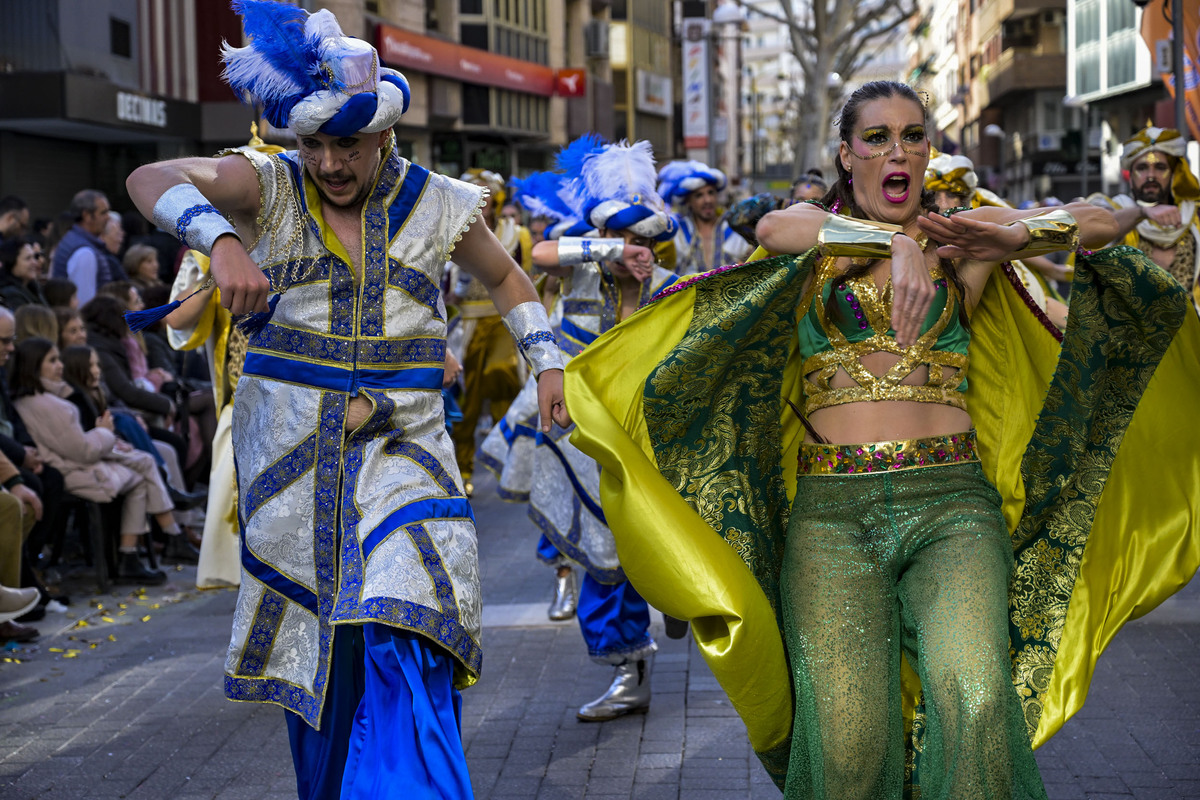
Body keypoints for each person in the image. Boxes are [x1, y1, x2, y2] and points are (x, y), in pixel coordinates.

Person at [565, 80, 1200, 797]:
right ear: (847, 153)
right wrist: (895, 242)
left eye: (913, 135)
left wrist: (1018, 233)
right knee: (848, 735)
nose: (897, 150)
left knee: (977, 696)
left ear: (929, 151)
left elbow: (1108, 220)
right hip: (832, 518)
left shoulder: (964, 241)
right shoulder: (818, 238)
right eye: (876, 137)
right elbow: (775, 229)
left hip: (954, 507)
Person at [124, 4, 566, 797]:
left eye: (346, 143)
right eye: (314, 142)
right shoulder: (267, 187)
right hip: (294, 477)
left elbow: (504, 277)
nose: (329, 161)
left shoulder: (437, 201)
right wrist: (221, 239)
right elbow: (148, 177)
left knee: (402, 622)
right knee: (325, 666)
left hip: (408, 459)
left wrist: (548, 365)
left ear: (384, 134)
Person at [484, 136, 679, 718]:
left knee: (635, 550)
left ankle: (672, 602)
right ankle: (628, 670)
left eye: (642, 240)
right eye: (623, 237)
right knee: (592, 548)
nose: (633, 249)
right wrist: (601, 253)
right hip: (571, 429)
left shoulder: (668, 286)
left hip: (636, 441)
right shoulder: (581, 267)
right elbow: (540, 254)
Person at [10, 338, 181, 584]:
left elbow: (76, 446)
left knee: (141, 463)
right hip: (77, 472)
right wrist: (105, 432)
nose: (60, 366)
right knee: (141, 470)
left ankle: (151, 546)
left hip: (72, 466)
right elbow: (84, 451)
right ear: (34, 366)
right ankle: (146, 547)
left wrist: (106, 437)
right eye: (52, 360)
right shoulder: (54, 406)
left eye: (59, 359)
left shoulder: (39, 400)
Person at [445, 168, 532, 497]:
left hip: (502, 322)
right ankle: (463, 467)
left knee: (505, 379)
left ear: (495, 201)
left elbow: (529, 280)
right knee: (467, 401)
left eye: (486, 198)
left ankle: (509, 462)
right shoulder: (454, 227)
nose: (481, 205)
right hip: (467, 325)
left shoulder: (516, 234)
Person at [1089, 125, 1199, 314]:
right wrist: (1142, 213)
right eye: (1142, 168)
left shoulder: (1194, 216)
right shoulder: (1116, 209)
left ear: (1174, 174)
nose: (1151, 175)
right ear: (1130, 177)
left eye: (1160, 167)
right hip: (1133, 336)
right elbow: (1099, 229)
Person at [657, 159, 752, 274]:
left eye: (711, 193)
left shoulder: (735, 228)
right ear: (688, 201)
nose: (707, 200)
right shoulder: (678, 232)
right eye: (699, 195)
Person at [50, 190, 124, 305]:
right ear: (87, 216)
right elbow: (84, 303)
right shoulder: (84, 252)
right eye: (103, 213)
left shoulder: (76, 240)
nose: (108, 217)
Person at [0, 235, 50, 309]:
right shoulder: (10, 295)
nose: (35, 263)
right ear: (11, 262)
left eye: (34, 257)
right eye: (28, 258)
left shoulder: (32, 287)